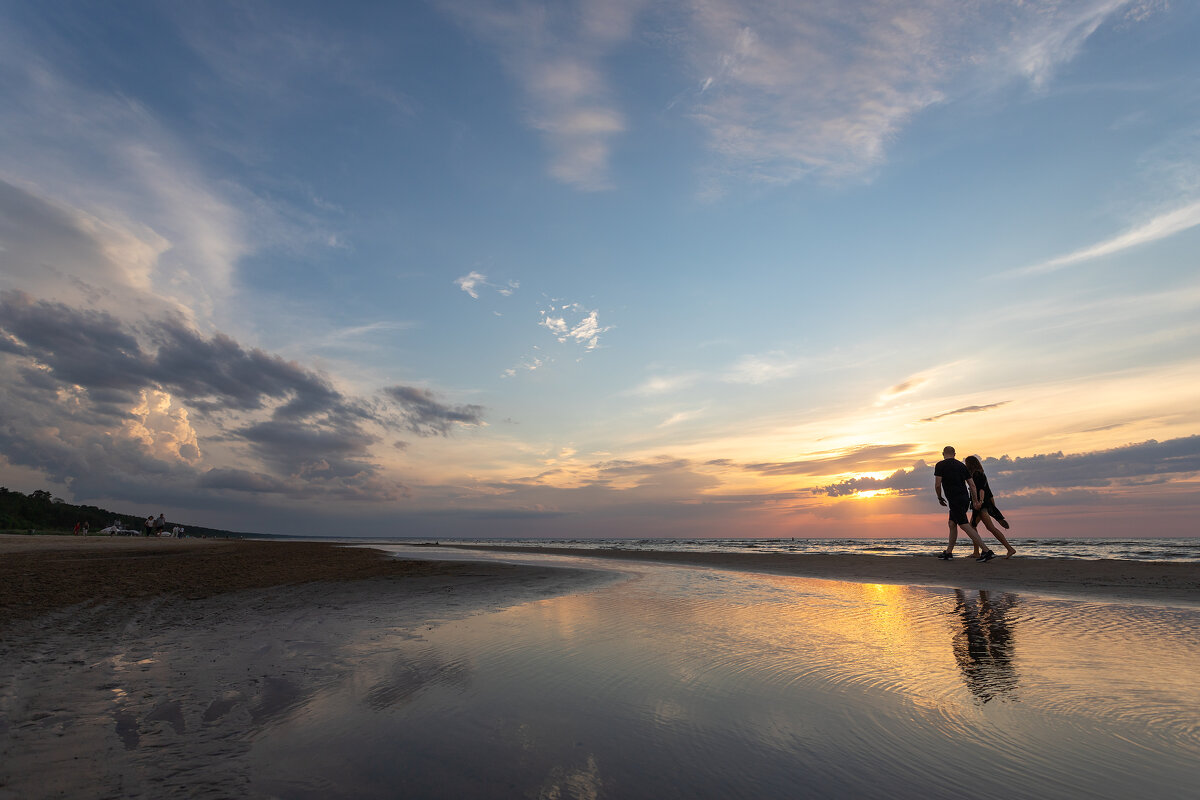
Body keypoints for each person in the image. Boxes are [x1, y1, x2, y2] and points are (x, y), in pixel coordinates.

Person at [933, 446, 994, 562]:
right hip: (964, 498)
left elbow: (937, 484)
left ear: (943, 453)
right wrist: (975, 500)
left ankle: (986, 551)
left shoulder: (940, 465)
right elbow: (972, 485)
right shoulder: (962, 466)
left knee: (964, 525)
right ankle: (948, 553)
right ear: (954, 454)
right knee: (952, 523)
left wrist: (939, 497)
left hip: (955, 499)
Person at [964, 455, 1017, 559]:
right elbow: (989, 491)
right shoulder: (981, 473)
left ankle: (1010, 549)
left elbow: (981, 490)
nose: (965, 465)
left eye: (966, 463)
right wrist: (992, 505)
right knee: (973, 526)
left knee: (988, 527)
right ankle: (976, 552)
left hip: (980, 504)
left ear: (970, 464)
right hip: (983, 503)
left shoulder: (977, 474)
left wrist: (979, 502)